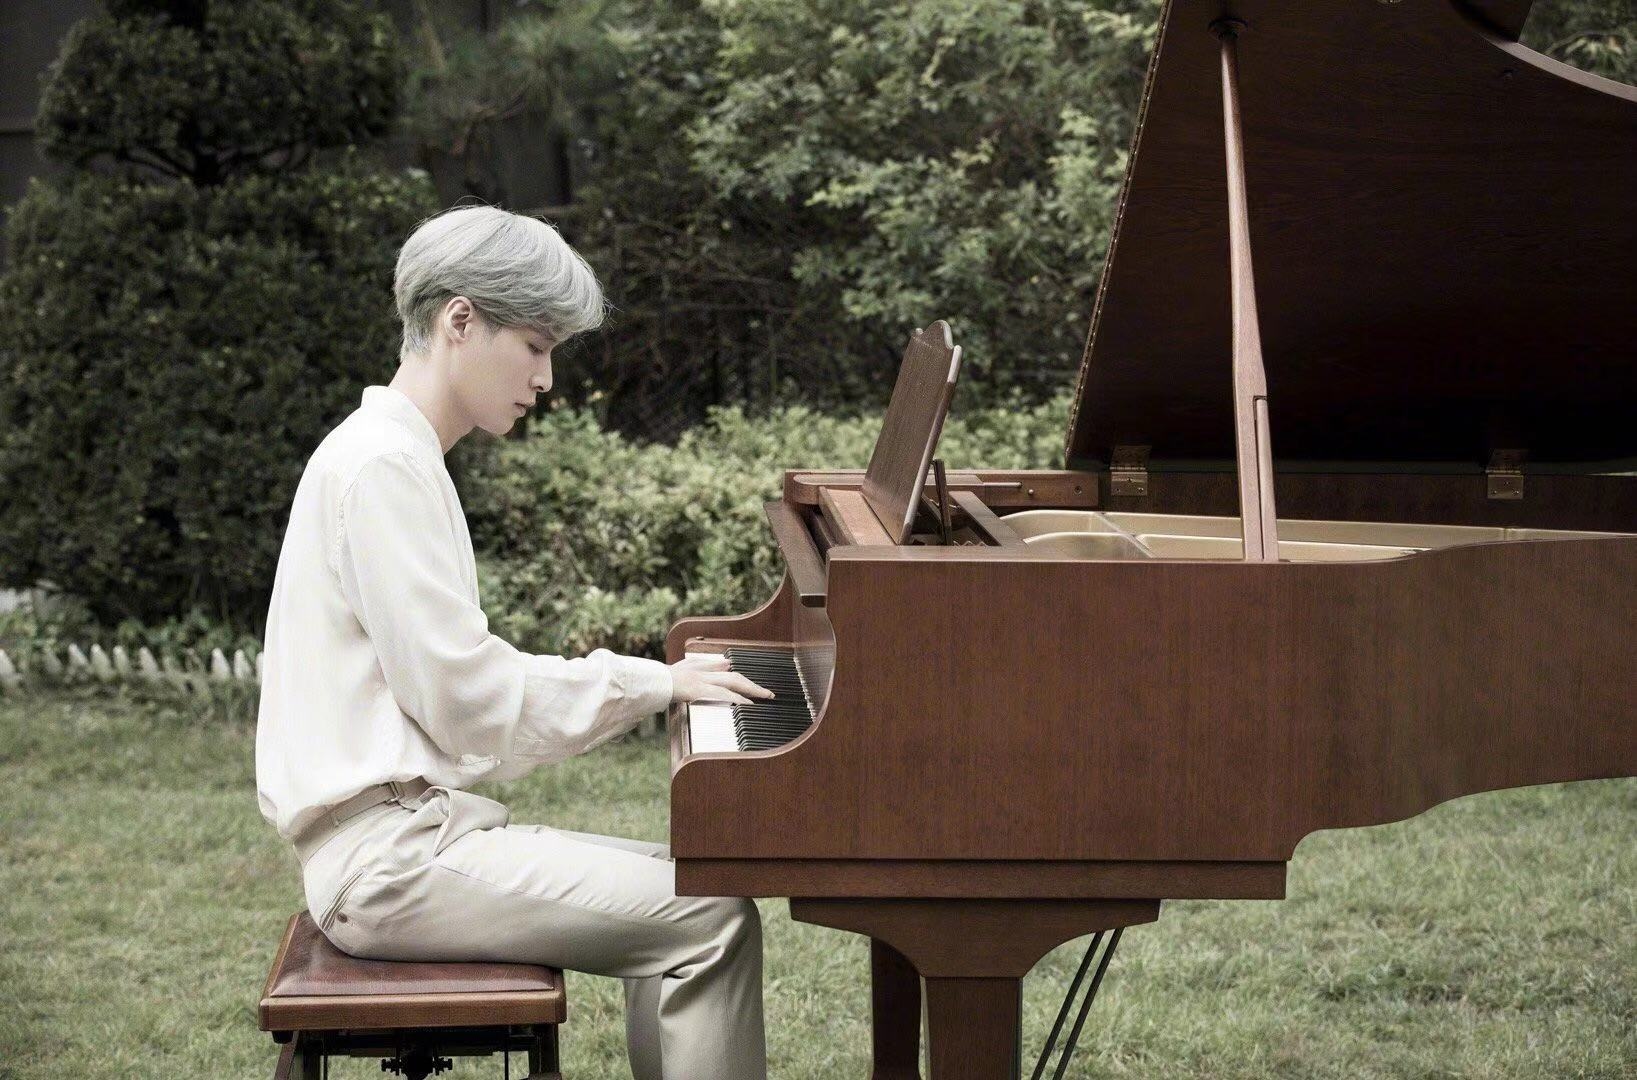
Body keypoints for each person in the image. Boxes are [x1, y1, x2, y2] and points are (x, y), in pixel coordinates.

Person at [254, 204, 774, 1080]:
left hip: (409, 836)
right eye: (535, 346)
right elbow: (468, 699)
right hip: (388, 865)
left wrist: (656, 683)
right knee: (711, 919)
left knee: (699, 888)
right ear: (460, 320)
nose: (545, 377)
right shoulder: (382, 466)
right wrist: (652, 684)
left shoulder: (392, 453)